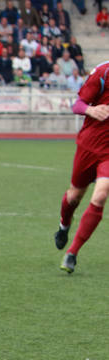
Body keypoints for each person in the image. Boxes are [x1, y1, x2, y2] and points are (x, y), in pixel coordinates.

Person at [55, 61, 109, 273]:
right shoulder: (102, 73)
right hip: (88, 146)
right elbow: (77, 104)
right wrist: (91, 110)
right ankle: (64, 225)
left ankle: (72, 253)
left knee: (101, 195)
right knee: (74, 196)